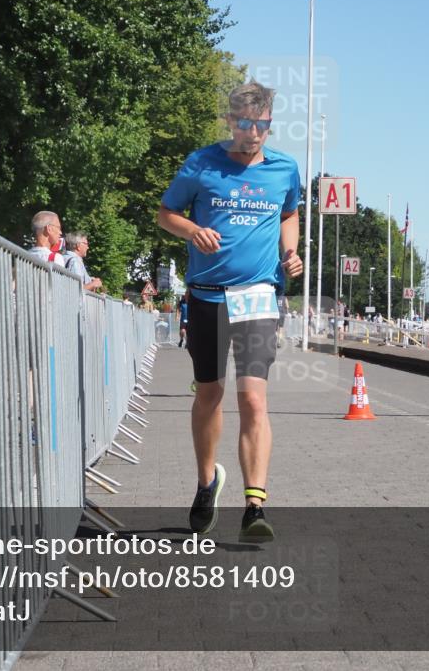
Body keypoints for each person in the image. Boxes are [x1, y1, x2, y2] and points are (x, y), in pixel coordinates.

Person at [156, 80, 302, 542]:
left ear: (270, 124)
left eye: (262, 125)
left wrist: (292, 251)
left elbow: (288, 213)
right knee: (209, 394)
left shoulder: (284, 169)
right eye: (245, 124)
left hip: (257, 294)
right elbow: (166, 213)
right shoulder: (202, 163)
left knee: (253, 398)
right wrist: (192, 230)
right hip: (206, 294)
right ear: (230, 122)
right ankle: (206, 483)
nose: (253, 133)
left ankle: (254, 506)